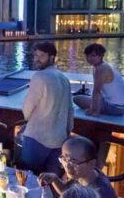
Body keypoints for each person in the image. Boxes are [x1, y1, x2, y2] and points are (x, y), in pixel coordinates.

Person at [21, 42, 73, 175]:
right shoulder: (64, 79)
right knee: (52, 182)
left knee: (29, 178)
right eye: (35, 56)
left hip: (37, 138)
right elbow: (70, 111)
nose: (37, 59)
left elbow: (27, 109)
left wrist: (26, 120)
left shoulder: (39, 77)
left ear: (51, 58)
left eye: (41, 56)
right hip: (59, 139)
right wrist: (67, 133)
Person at [38, 136, 116, 198]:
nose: (67, 166)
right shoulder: (82, 174)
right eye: (64, 159)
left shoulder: (98, 193)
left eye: (73, 161)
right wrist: (54, 179)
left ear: (91, 163)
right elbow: (65, 190)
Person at [73, 43, 124, 116]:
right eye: (87, 56)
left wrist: (94, 110)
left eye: (93, 55)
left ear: (101, 56)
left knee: (77, 99)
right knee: (92, 97)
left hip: (117, 108)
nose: (89, 58)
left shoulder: (101, 69)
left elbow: (97, 91)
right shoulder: (104, 65)